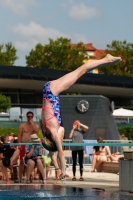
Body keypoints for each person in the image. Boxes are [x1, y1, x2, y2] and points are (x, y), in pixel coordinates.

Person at [41, 54, 122, 180]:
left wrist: (63, 170)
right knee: (79, 72)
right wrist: (58, 169)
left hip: (52, 91)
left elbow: (60, 152)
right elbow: (53, 153)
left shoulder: (52, 130)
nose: (60, 141)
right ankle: (106, 59)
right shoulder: (45, 130)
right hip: (48, 91)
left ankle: (107, 59)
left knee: (81, 70)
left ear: (53, 140)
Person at [10, 111, 39, 183]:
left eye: (31, 117)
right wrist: (19, 144)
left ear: (33, 117)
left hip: (31, 145)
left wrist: (32, 123)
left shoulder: (35, 125)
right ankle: (19, 178)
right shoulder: (22, 125)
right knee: (22, 162)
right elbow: (19, 135)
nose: (29, 118)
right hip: (23, 144)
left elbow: (36, 132)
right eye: (28, 116)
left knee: (30, 162)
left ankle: (28, 178)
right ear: (26, 117)